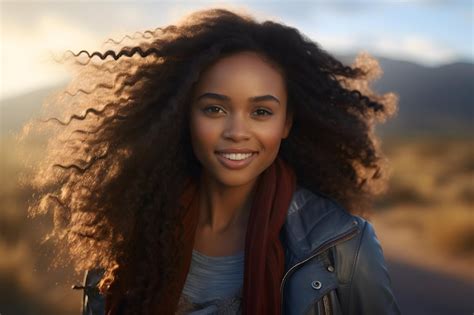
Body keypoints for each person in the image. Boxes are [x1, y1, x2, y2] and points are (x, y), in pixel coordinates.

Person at [24, 7, 400, 315]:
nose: (237, 131)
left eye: (261, 112)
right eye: (215, 108)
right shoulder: (131, 231)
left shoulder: (345, 246)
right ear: (184, 115)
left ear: (286, 122)